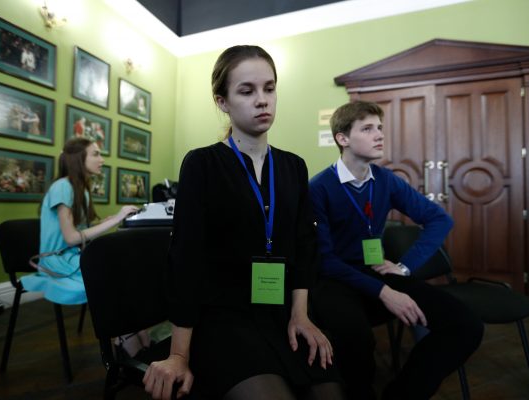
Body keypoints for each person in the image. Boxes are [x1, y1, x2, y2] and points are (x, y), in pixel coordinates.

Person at [143, 45, 345, 400]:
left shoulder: (294, 167)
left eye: (269, 88)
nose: (262, 100)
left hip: (284, 312)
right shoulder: (202, 164)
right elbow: (186, 260)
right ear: (222, 102)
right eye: (247, 91)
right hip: (223, 316)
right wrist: (178, 355)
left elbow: (304, 246)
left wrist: (301, 315)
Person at [308, 100, 484, 400]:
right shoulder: (319, 188)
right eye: (367, 129)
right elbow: (325, 261)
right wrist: (384, 292)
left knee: (466, 326)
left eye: (379, 128)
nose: (379, 135)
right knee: (357, 342)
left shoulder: (386, 180)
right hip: (334, 279)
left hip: (375, 271)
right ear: (342, 138)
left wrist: (404, 267)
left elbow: (440, 219)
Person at [21, 137, 139, 305]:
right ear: (78, 159)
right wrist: (116, 219)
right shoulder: (63, 186)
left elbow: (79, 230)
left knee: (124, 268)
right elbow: (71, 238)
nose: (102, 160)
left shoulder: (80, 189)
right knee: (118, 276)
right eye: (96, 154)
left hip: (72, 256)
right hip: (57, 260)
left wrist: (106, 222)